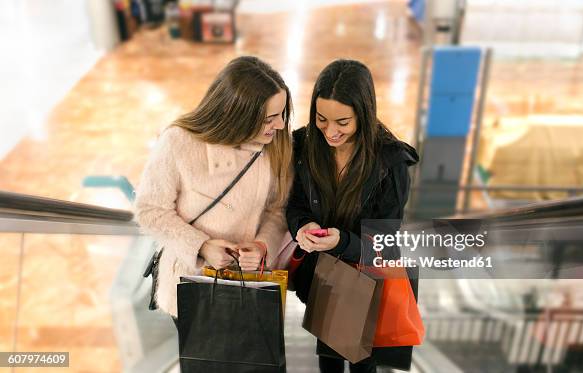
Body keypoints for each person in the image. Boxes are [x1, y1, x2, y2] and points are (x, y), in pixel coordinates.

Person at [286, 59, 419, 373]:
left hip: (367, 282)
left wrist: (341, 241)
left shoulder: (390, 163)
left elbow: (384, 244)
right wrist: (303, 226)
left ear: (364, 113)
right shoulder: (304, 145)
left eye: (342, 122)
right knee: (329, 359)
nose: (330, 132)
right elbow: (295, 204)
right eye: (321, 119)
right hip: (322, 279)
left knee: (363, 363)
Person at [134, 56, 293, 319]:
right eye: (270, 118)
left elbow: (278, 210)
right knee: (202, 357)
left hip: (249, 286)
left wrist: (262, 247)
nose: (281, 125)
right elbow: (149, 210)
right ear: (238, 114)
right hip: (190, 286)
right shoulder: (178, 142)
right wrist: (202, 246)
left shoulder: (277, 147)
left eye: (282, 114)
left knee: (252, 358)